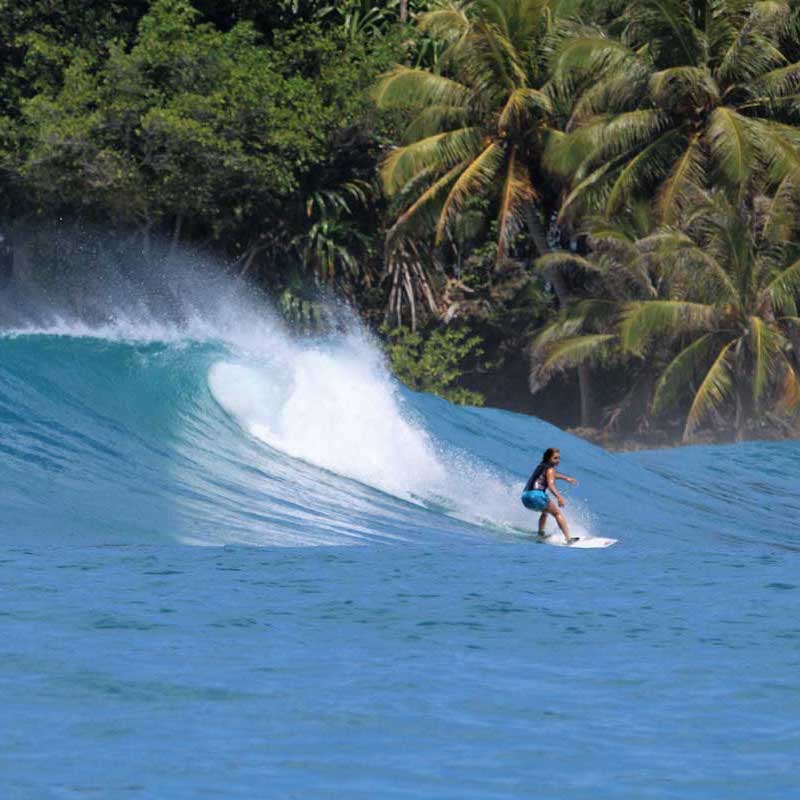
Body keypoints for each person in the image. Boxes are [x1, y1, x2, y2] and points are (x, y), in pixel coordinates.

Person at [521, 447, 578, 543]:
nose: (558, 461)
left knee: (545, 512)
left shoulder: (541, 466)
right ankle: (569, 539)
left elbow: (553, 475)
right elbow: (551, 484)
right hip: (537, 496)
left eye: (558, 458)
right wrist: (559, 497)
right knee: (557, 514)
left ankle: (540, 533)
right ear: (548, 458)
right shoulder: (550, 469)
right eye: (555, 458)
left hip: (525, 497)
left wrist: (566, 478)